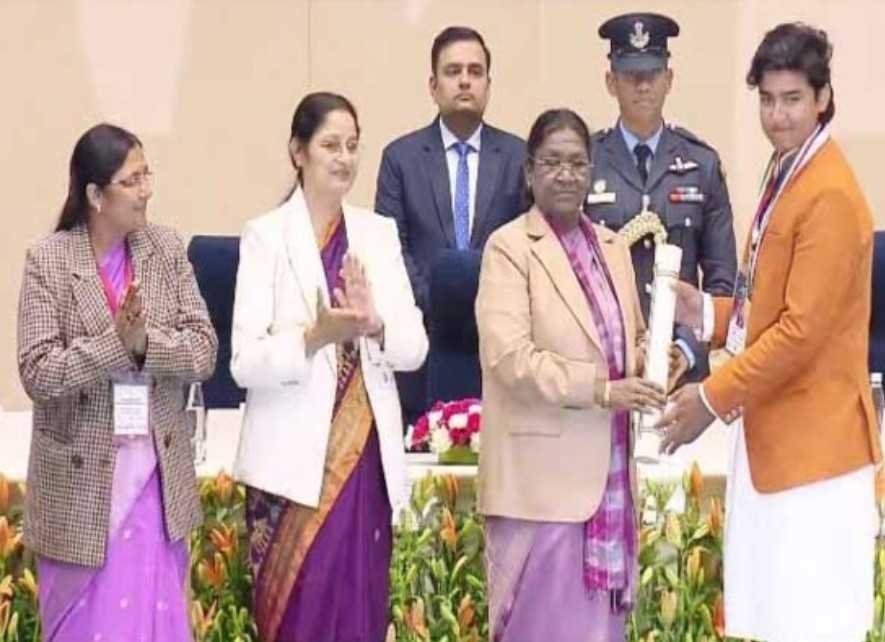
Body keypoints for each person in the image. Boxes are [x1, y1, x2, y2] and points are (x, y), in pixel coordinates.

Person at [658, 23, 881, 642]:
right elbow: (769, 301)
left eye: (792, 100)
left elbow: (800, 333)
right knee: (776, 620)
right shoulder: (789, 168)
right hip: (778, 444)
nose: (777, 116)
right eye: (767, 100)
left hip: (816, 456)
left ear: (823, 98)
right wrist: (706, 313)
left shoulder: (829, 192)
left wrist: (709, 398)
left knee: (810, 625)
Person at [230, 92, 428, 642]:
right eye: (330, 146)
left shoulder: (377, 234)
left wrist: (375, 323)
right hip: (290, 470)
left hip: (362, 460)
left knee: (358, 611)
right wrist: (313, 338)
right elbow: (243, 361)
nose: (344, 158)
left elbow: (415, 347)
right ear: (298, 152)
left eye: (352, 146)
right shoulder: (266, 236)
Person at [476, 108, 680, 642]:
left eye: (577, 163)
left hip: (609, 481)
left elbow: (630, 339)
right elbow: (509, 358)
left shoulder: (612, 248)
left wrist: (656, 360)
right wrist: (602, 390)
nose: (566, 175)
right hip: (540, 489)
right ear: (529, 172)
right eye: (552, 162)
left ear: (592, 172)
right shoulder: (509, 249)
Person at [17, 123, 218, 640]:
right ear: (95, 195)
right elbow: (38, 371)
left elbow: (203, 350)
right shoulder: (49, 260)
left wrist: (145, 345)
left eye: (147, 175)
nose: (146, 190)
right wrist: (114, 345)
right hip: (80, 493)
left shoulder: (164, 249)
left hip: (154, 481)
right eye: (132, 180)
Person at [375, 25, 526, 423]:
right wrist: (442, 301)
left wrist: (487, 305)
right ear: (433, 85)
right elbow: (391, 249)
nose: (464, 81)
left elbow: (529, 245)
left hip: (500, 347)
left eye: (475, 72)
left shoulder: (518, 157)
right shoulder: (400, 159)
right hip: (423, 341)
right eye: (453, 71)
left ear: (488, 85)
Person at [587, 12, 737, 383]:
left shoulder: (701, 164)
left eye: (652, 74)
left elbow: (722, 281)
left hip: (682, 371)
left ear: (669, 79)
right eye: (630, 75)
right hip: (609, 366)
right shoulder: (586, 161)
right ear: (610, 82)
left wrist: (686, 349)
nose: (642, 86)